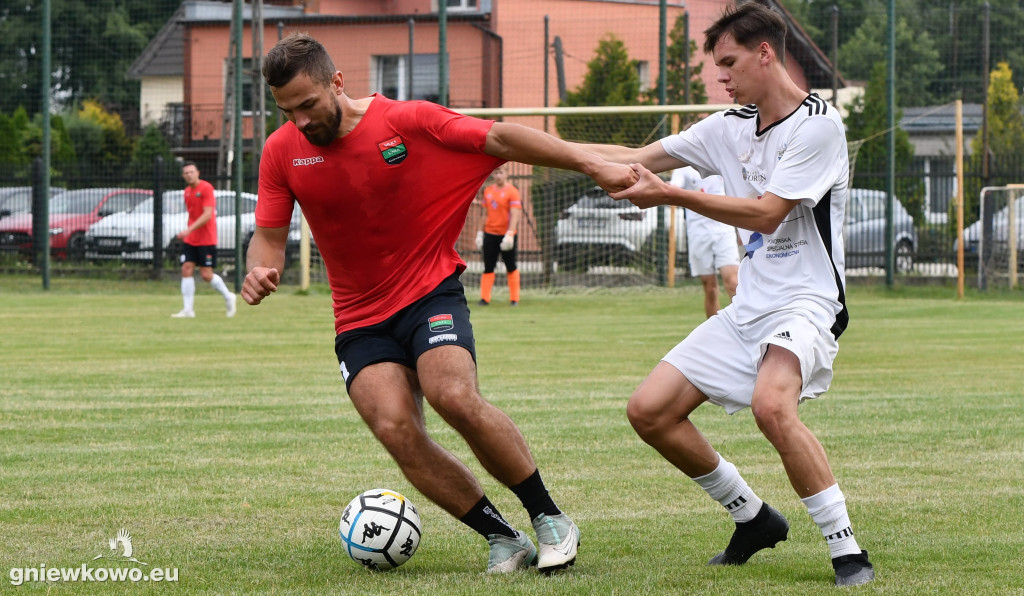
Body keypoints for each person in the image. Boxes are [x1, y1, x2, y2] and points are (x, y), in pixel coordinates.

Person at [242, 33, 636, 574]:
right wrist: (259, 268)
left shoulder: (407, 121)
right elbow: (267, 233)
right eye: (288, 111)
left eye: (308, 105)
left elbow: (500, 138)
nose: (302, 121)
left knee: (452, 393)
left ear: (337, 82)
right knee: (395, 428)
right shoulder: (281, 150)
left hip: (429, 293)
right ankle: (504, 538)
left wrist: (592, 165)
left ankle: (549, 518)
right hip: (359, 319)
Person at [574, 2, 874, 587]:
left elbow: (766, 215)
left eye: (730, 62)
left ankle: (847, 551)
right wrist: (522, 147)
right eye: (719, 66)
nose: (722, 77)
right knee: (650, 411)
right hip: (750, 310)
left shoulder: (819, 126)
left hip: (808, 304)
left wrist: (674, 197)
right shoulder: (725, 127)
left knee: (771, 405)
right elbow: (638, 160)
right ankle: (754, 518)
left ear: (767, 52)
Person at [670, 167, 739, 318]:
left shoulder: (718, 159)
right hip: (698, 232)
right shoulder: (683, 167)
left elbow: (737, 190)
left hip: (723, 229)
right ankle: (716, 334)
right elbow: (673, 189)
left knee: (733, 283)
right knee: (710, 288)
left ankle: (742, 329)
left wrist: (741, 229)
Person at [171, 161, 237, 319]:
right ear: (183, 176)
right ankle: (188, 310)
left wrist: (188, 230)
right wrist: (189, 233)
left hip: (206, 238)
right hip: (191, 239)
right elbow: (192, 214)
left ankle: (229, 296)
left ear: (197, 172)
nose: (189, 175)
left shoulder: (206, 188)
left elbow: (207, 215)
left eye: (191, 172)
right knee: (186, 268)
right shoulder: (187, 192)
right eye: (186, 173)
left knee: (206, 275)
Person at [475, 165, 522, 306]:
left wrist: (510, 233)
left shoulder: (513, 192)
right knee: (488, 266)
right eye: (496, 172)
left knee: (510, 265)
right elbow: (484, 214)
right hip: (490, 233)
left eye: (501, 172)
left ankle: (514, 299)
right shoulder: (488, 191)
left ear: (506, 174)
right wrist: (479, 233)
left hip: (506, 235)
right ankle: (485, 299)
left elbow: (515, 214)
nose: (498, 175)